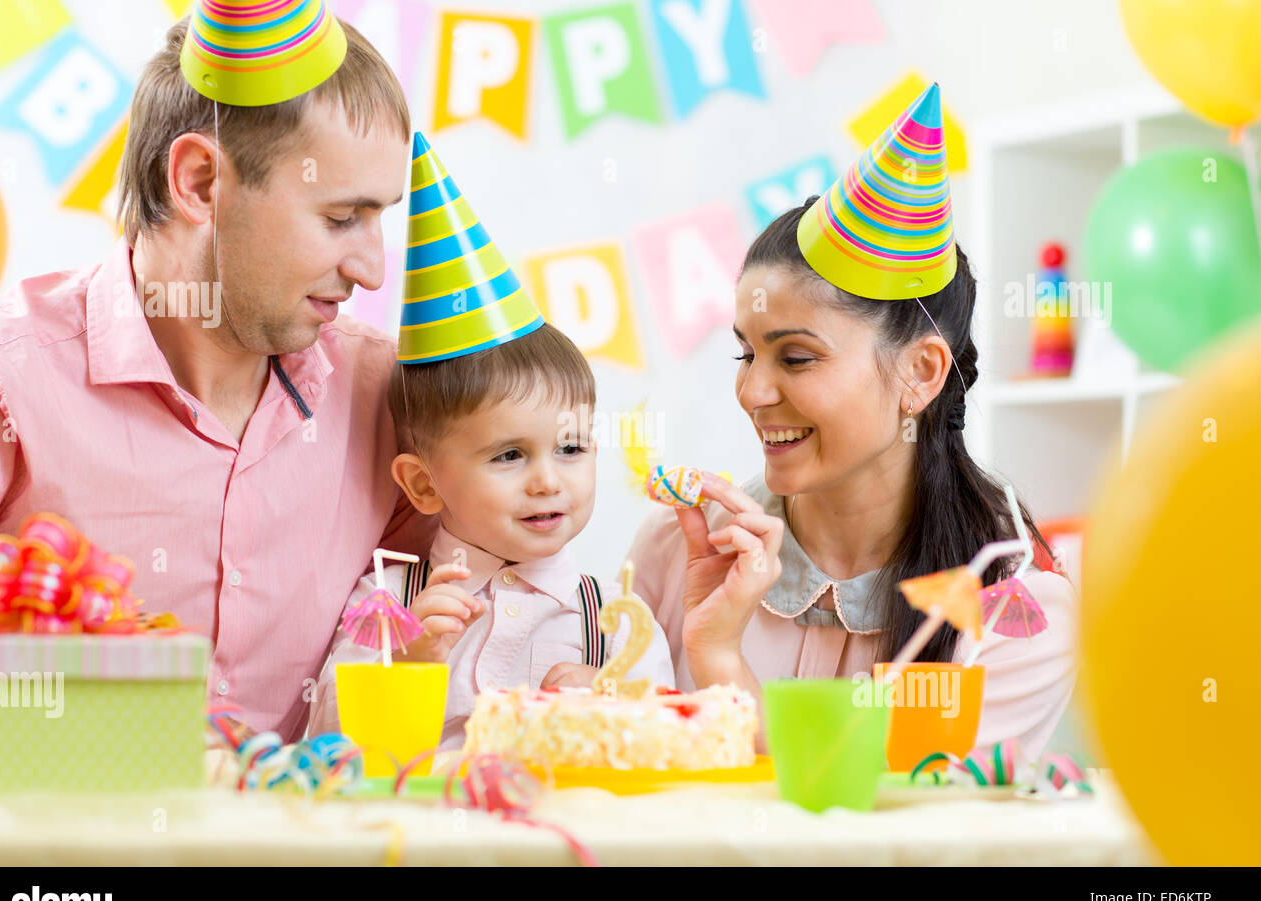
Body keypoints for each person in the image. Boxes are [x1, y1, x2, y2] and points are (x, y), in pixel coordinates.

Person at [0, 3, 435, 740]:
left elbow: (455, 655)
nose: (373, 270)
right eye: (343, 219)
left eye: (381, 219)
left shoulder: (392, 402)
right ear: (201, 182)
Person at [626, 84, 1076, 761]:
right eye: (745, 353)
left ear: (921, 373)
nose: (751, 391)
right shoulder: (676, 551)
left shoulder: (1014, 612)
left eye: (796, 357)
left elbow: (887, 833)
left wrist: (719, 658)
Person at [308, 135, 673, 749]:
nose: (548, 480)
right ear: (423, 484)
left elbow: (668, 751)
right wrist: (407, 666)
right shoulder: (386, 604)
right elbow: (325, 744)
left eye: (571, 448)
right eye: (509, 455)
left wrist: (607, 712)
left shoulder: (614, 622)